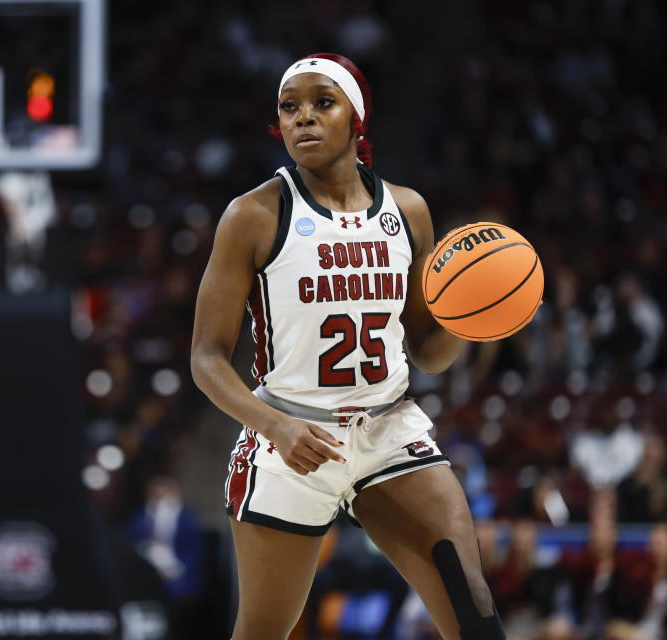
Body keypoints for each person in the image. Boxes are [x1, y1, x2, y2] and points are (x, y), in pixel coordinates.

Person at [191, 52, 505, 640]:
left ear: (355, 119)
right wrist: (273, 427)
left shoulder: (407, 211)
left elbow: (428, 352)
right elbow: (205, 359)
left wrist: (473, 319)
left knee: (474, 608)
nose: (303, 118)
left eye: (322, 103)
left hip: (389, 432)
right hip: (291, 436)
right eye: (290, 108)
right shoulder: (253, 215)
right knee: (263, 628)